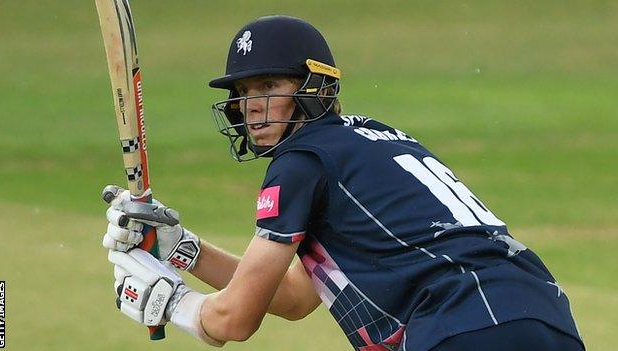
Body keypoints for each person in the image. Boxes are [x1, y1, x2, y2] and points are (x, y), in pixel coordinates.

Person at [101, 15, 585, 351]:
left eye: (269, 87)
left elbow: (234, 320)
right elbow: (296, 298)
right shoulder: (370, 137)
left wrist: (172, 302)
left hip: (461, 330)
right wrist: (182, 249)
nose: (251, 105)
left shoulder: (300, 160)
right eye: (244, 92)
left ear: (315, 88)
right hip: (546, 319)